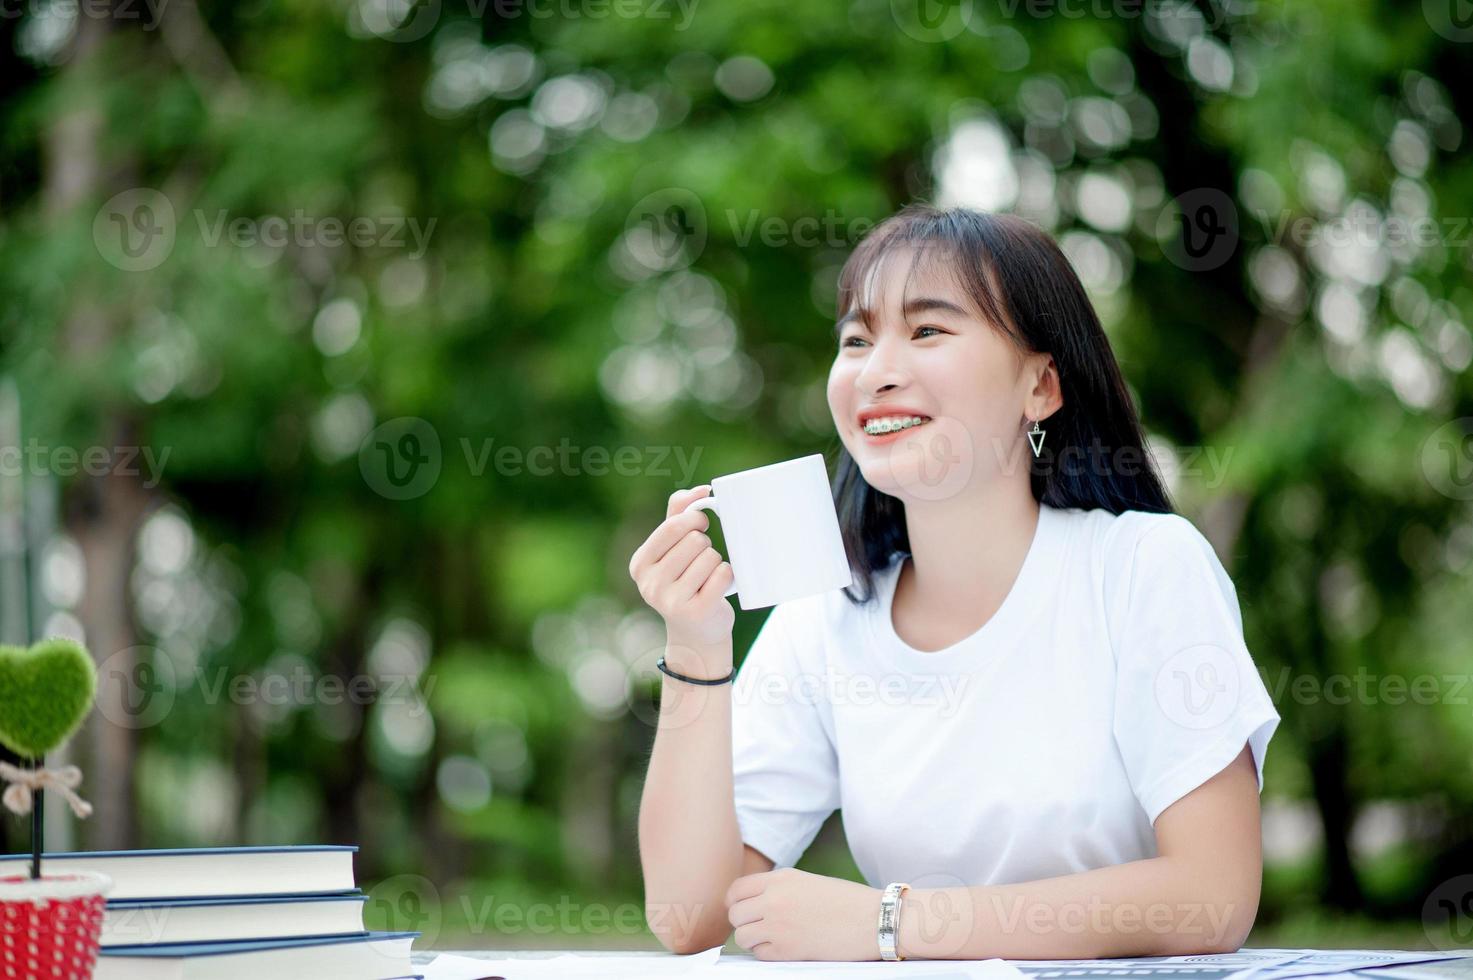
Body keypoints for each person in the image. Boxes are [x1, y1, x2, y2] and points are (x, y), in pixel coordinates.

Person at [629, 205, 1280, 962]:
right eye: (855, 341)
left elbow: (1211, 898)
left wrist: (891, 924)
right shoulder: (826, 615)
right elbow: (688, 917)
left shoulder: (1142, 566)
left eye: (927, 330)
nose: (876, 371)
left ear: (1040, 386)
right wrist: (697, 647)